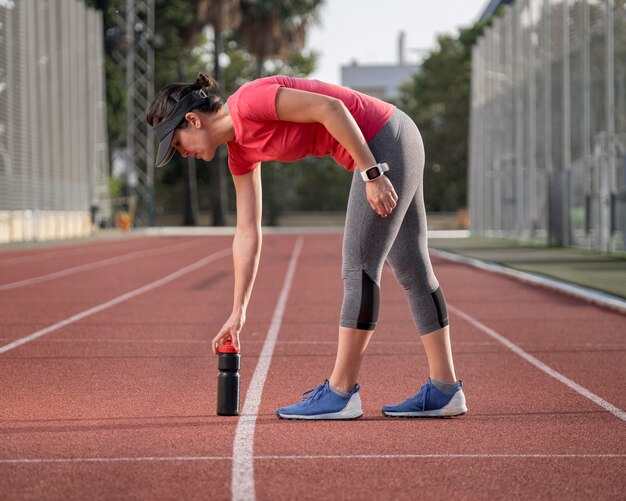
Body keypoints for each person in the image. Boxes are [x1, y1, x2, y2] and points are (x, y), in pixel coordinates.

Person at [147, 73, 467, 420]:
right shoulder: (239, 154)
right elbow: (247, 231)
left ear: (193, 120)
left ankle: (341, 391)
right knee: (411, 265)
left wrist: (372, 174)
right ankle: (445, 389)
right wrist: (238, 311)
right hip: (395, 137)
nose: (183, 154)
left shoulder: (249, 102)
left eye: (178, 145)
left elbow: (330, 108)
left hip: (384, 140)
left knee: (358, 266)